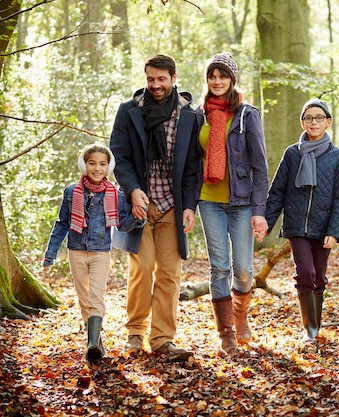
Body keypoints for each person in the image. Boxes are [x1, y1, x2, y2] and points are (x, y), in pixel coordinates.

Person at [109, 54, 200, 362]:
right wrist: (133, 191)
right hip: (141, 205)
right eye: (151, 79)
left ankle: (162, 338)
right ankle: (134, 333)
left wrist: (190, 205)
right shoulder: (129, 111)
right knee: (143, 268)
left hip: (173, 206)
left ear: (174, 78)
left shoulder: (189, 115)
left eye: (162, 79)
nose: (156, 85)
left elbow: (192, 166)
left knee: (170, 274)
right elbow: (118, 157)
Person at [195, 52, 268, 354]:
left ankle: (241, 318)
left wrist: (260, 212)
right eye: (212, 76)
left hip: (240, 201)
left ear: (232, 80)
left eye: (222, 75)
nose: (217, 81)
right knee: (219, 267)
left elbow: (260, 165)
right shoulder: (198, 114)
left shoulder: (247, 114)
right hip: (208, 199)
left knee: (242, 269)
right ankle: (226, 334)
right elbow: (190, 161)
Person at [43, 143, 141, 363]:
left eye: (102, 164)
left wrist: (137, 217)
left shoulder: (114, 193)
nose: (97, 168)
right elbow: (62, 224)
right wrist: (51, 252)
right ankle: (97, 344)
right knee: (84, 299)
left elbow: (123, 225)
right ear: (84, 165)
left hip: (100, 253)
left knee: (96, 297)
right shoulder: (71, 192)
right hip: (76, 251)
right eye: (92, 163)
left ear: (109, 167)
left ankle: (91, 345)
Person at [265, 98, 339, 343]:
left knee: (319, 276)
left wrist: (335, 231)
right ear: (302, 122)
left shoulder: (336, 156)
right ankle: (309, 331)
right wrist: (266, 223)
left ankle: (315, 326)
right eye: (309, 118)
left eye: (319, 118)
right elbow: (277, 190)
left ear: (328, 122)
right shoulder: (292, 153)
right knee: (306, 272)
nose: (314, 122)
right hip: (297, 226)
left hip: (324, 227)